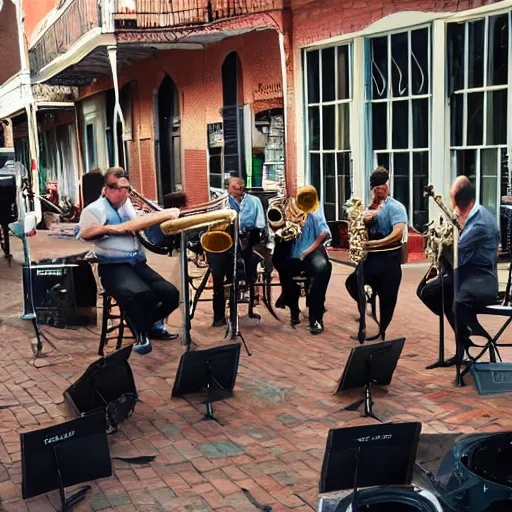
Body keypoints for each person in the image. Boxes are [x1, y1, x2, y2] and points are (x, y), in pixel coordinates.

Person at [78, 167, 180, 355]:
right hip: (112, 267)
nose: (123, 193)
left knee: (171, 294)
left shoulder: (129, 206)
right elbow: (85, 233)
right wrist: (114, 229)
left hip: (137, 263)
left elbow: (144, 229)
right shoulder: (94, 209)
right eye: (117, 188)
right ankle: (141, 333)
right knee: (141, 294)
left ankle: (146, 324)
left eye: (126, 188)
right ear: (106, 189)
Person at [345, 167, 407, 340]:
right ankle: (366, 315)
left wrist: (374, 243)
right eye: (375, 186)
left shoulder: (396, 207)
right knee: (352, 283)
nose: (379, 188)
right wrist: (361, 222)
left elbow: (399, 231)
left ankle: (382, 332)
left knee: (388, 299)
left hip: (389, 260)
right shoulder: (367, 207)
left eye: (382, 184)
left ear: (387, 184)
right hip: (370, 260)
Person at [450, 176, 500, 363]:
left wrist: (459, 224)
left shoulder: (479, 223)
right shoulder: (474, 214)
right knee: (431, 292)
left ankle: (473, 336)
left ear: (467, 204)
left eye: (458, 207)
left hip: (483, 280)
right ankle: (462, 335)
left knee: (459, 302)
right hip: (468, 275)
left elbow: (459, 247)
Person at [208, 176, 266, 327]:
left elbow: (260, 223)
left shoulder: (254, 201)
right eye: (235, 187)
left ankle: (246, 296)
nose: (239, 189)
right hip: (224, 242)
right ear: (227, 187)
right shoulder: (220, 202)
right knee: (218, 274)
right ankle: (219, 316)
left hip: (246, 241)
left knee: (249, 263)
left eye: (241, 187)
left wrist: (247, 230)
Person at [274, 185, 332, 335]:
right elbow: (275, 229)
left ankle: (316, 316)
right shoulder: (288, 208)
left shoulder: (315, 211)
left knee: (323, 268)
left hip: (311, 252)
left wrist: (308, 251)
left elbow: (324, 232)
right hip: (292, 253)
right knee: (283, 266)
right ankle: (293, 307)